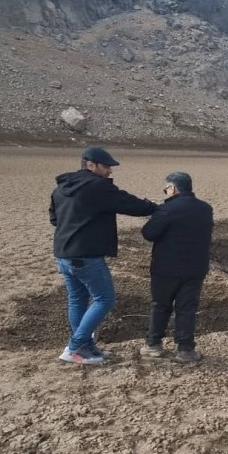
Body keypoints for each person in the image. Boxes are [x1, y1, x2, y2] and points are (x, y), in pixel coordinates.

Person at [49, 146, 157, 364]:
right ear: (91, 165)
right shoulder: (96, 187)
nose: (110, 171)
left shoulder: (60, 188)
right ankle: (76, 347)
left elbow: (54, 219)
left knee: (77, 299)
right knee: (104, 299)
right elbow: (129, 204)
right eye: (106, 166)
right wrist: (156, 208)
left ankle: (85, 347)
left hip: (63, 253)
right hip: (85, 256)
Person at [140, 172, 213, 363]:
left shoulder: (167, 209)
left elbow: (148, 233)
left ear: (172, 188)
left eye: (166, 189)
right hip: (195, 268)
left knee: (160, 305)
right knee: (187, 308)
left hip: (166, 268)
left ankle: (153, 344)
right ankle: (185, 349)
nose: (165, 192)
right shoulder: (206, 209)